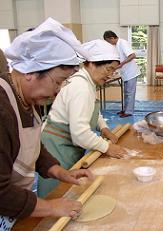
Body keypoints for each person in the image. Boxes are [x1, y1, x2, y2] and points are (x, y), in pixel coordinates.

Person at [0, 18, 94, 230]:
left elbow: (33, 146)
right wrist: (50, 207)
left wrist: (59, 172)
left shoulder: (27, 98)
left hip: (12, 207)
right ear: (31, 71)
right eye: (58, 81)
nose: (58, 90)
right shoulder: (2, 108)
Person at [38, 39, 126, 197]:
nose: (111, 75)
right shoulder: (81, 87)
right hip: (57, 149)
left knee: (66, 192)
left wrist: (104, 129)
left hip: (66, 146)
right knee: (54, 196)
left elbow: (92, 110)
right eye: (109, 69)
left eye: (114, 70)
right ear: (92, 63)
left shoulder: (88, 83)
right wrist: (107, 148)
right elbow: (80, 134)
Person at [103, 30, 141, 118]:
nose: (109, 44)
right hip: (126, 73)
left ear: (112, 38)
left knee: (130, 93)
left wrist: (121, 64)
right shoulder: (117, 45)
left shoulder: (123, 43)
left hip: (131, 72)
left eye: (109, 41)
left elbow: (132, 55)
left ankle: (129, 112)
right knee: (126, 93)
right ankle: (125, 109)